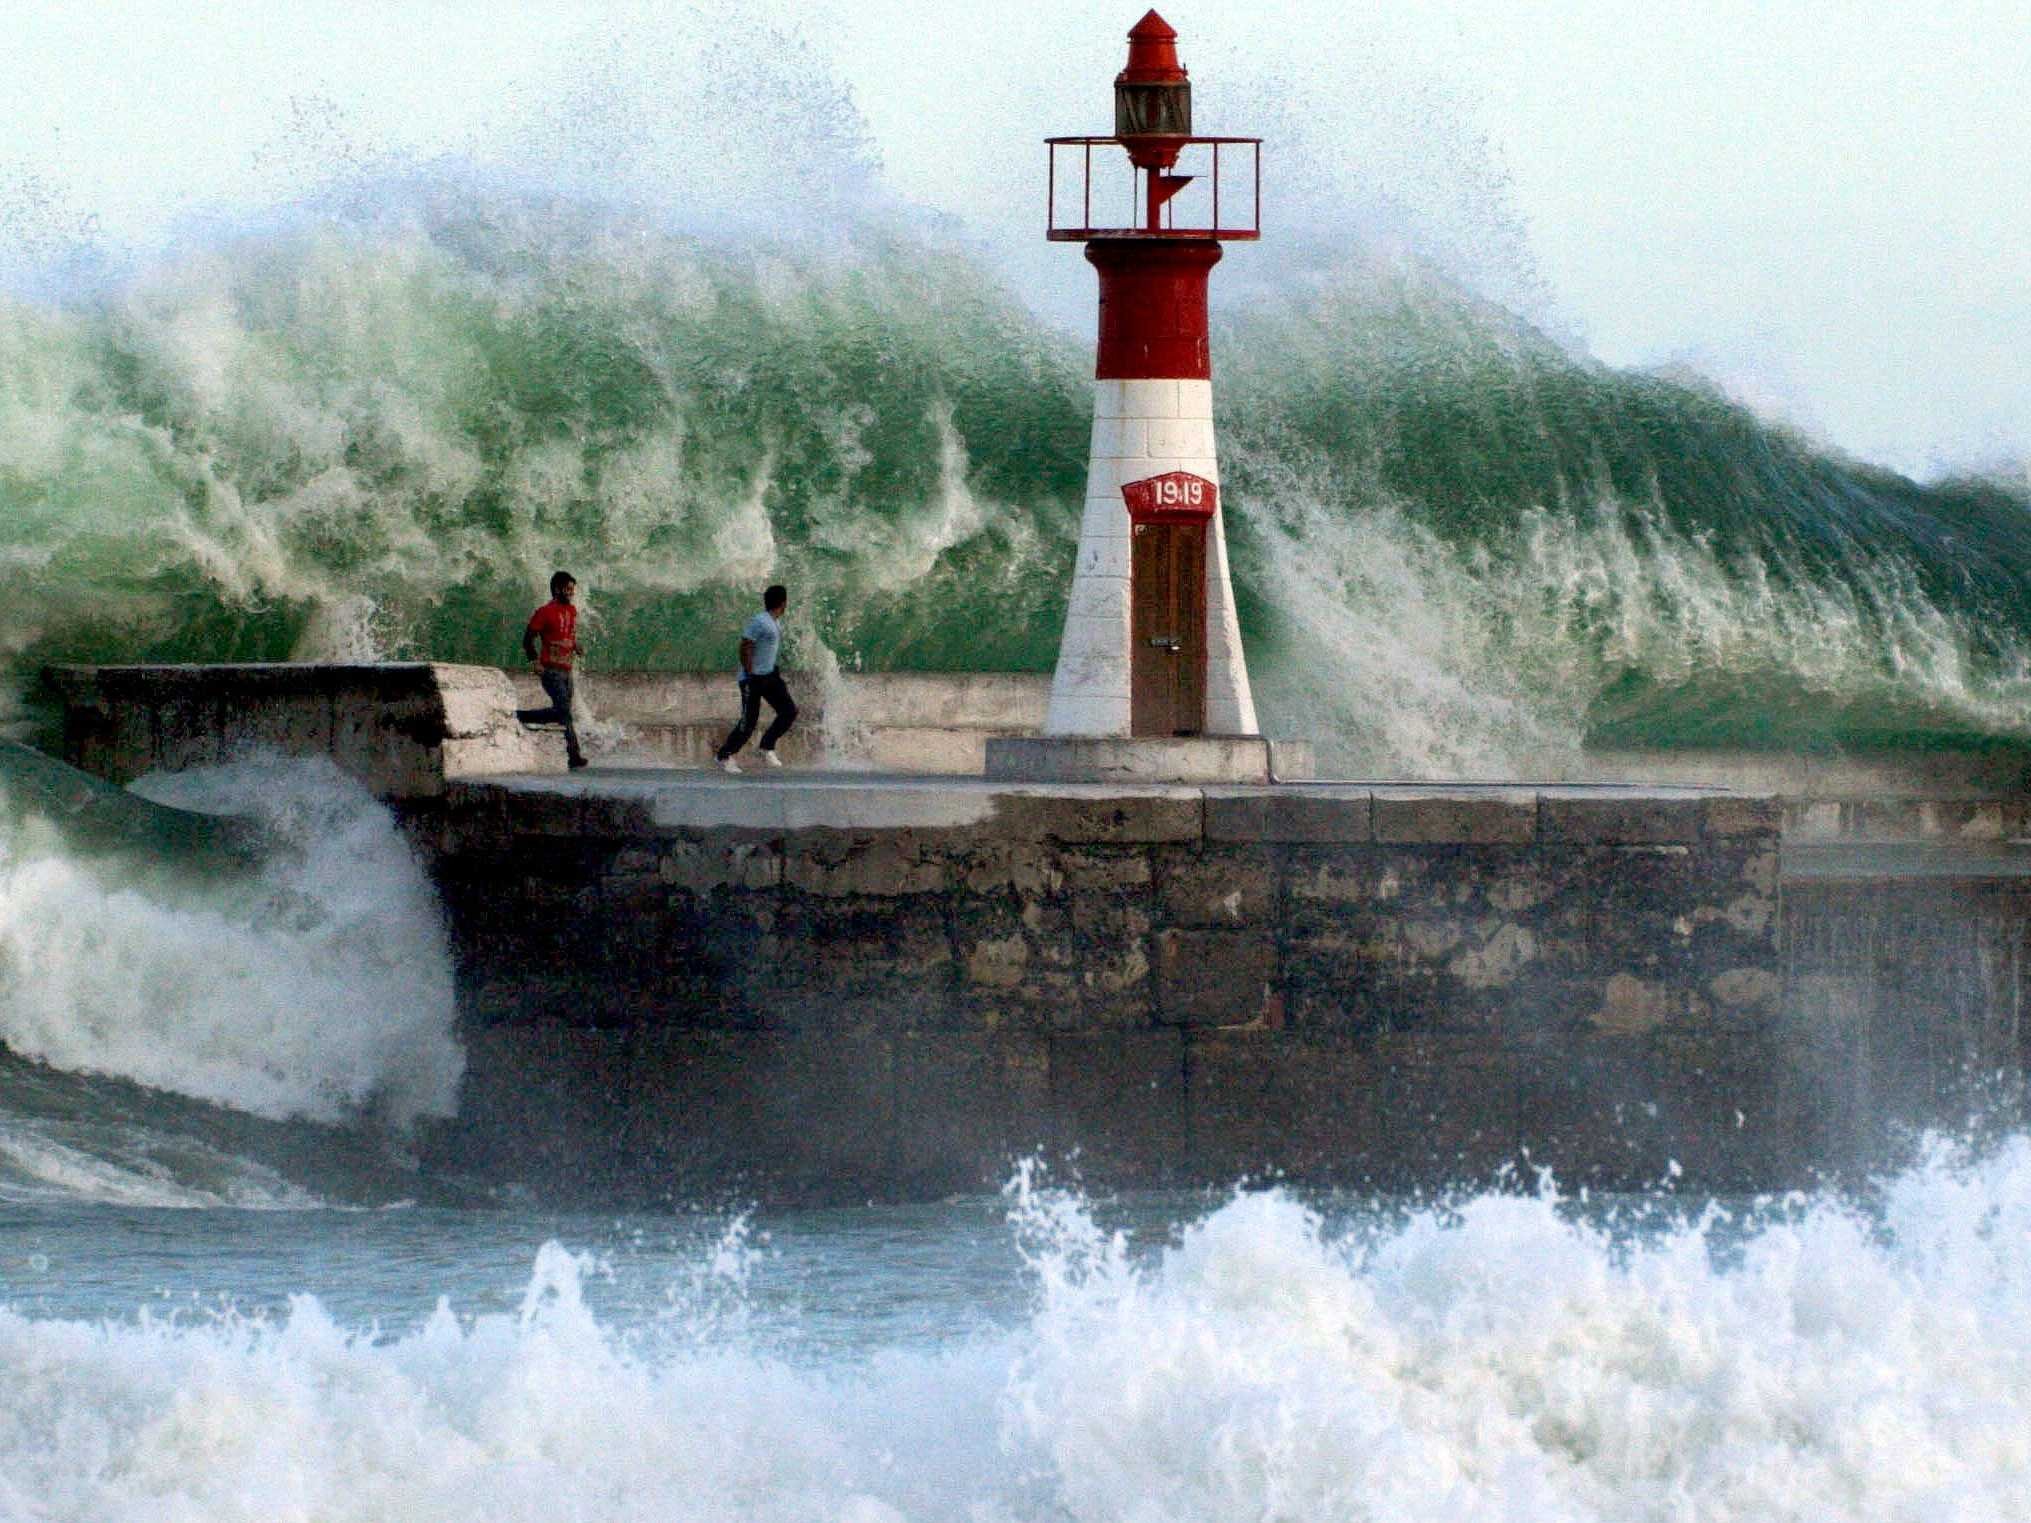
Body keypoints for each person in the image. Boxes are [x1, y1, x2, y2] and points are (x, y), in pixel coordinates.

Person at [715, 584, 796, 773]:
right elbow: (745, 645)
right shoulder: (760, 621)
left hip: (770, 675)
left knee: (788, 711)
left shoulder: (774, 622)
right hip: (753, 678)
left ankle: (766, 746)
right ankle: (723, 756)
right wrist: (749, 671)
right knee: (748, 723)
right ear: (783, 603)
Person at [516, 570, 588, 769]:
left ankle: (519, 716)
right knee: (563, 711)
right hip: (551, 670)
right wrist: (534, 661)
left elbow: (567, 634)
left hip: (567, 670)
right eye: (568, 589)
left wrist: (575, 645)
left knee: (562, 713)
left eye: (573, 589)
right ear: (557, 589)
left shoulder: (572, 611)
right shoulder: (544, 612)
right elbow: (527, 640)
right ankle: (574, 755)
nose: (572, 593)